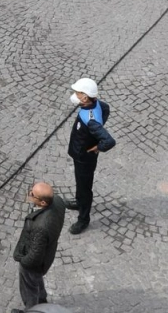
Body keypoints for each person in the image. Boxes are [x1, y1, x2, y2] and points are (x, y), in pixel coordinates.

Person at [66, 77, 114, 235]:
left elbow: (109, 141)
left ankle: (83, 219)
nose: (75, 94)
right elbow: (106, 109)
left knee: (85, 187)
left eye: (78, 93)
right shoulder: (97, 104)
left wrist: (97, 147)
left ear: (85, 97)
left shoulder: (91, 120)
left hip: (84, 158)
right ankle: (79, 202)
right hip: (80, 154)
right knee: (80, 182)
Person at [11, 181, 67, 310]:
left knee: (29, 289)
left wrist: (22, 260)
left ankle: (33, 310)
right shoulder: (58, 200)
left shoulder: (41, 227)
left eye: (33, 194)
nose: (29, 194)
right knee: (37, 282)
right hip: (47, 255)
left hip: (35, 264)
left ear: (43, 203)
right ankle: (42, 300)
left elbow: (34, 258)